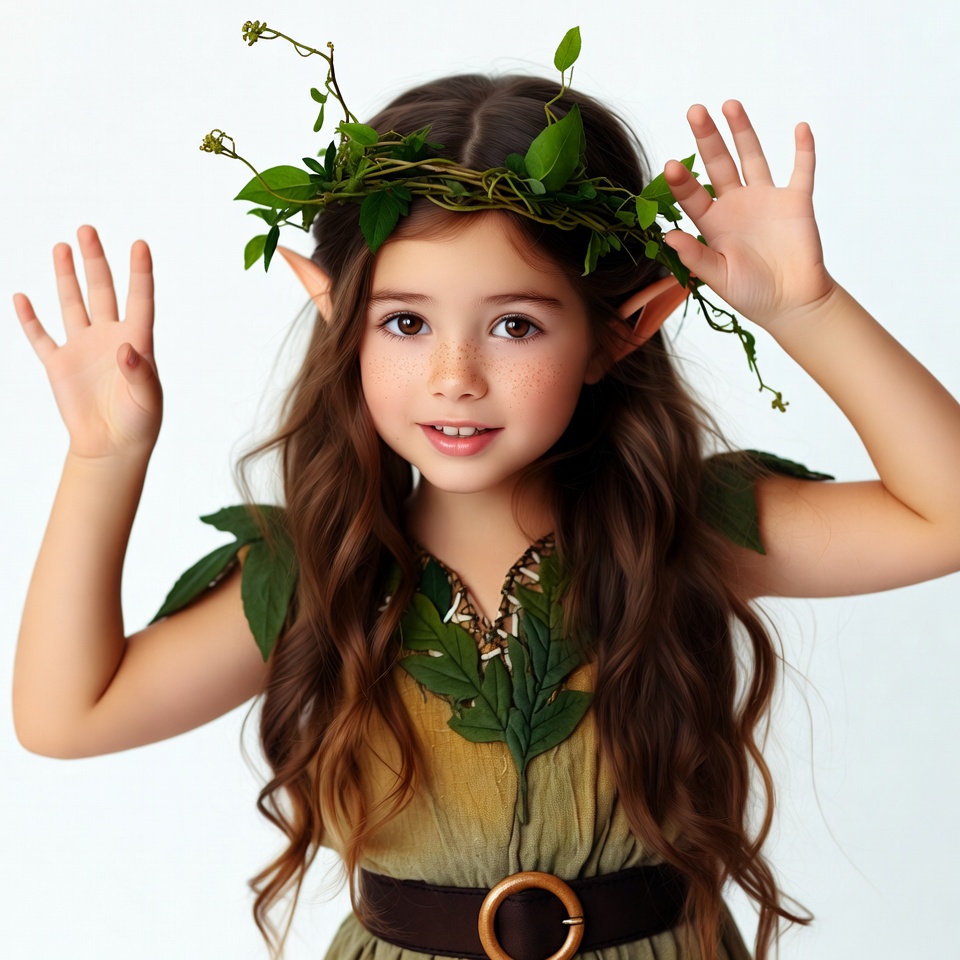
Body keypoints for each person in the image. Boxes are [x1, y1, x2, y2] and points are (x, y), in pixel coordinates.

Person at [12, 63, 960, 960]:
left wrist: (809, 309)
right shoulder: (317, 574)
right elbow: (66, 717)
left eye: (515, 325)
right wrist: (105, 459)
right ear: (335, 313)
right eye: (405, 321)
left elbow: (944, 516)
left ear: (622, 327)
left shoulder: (683, 525)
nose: (454, 378)